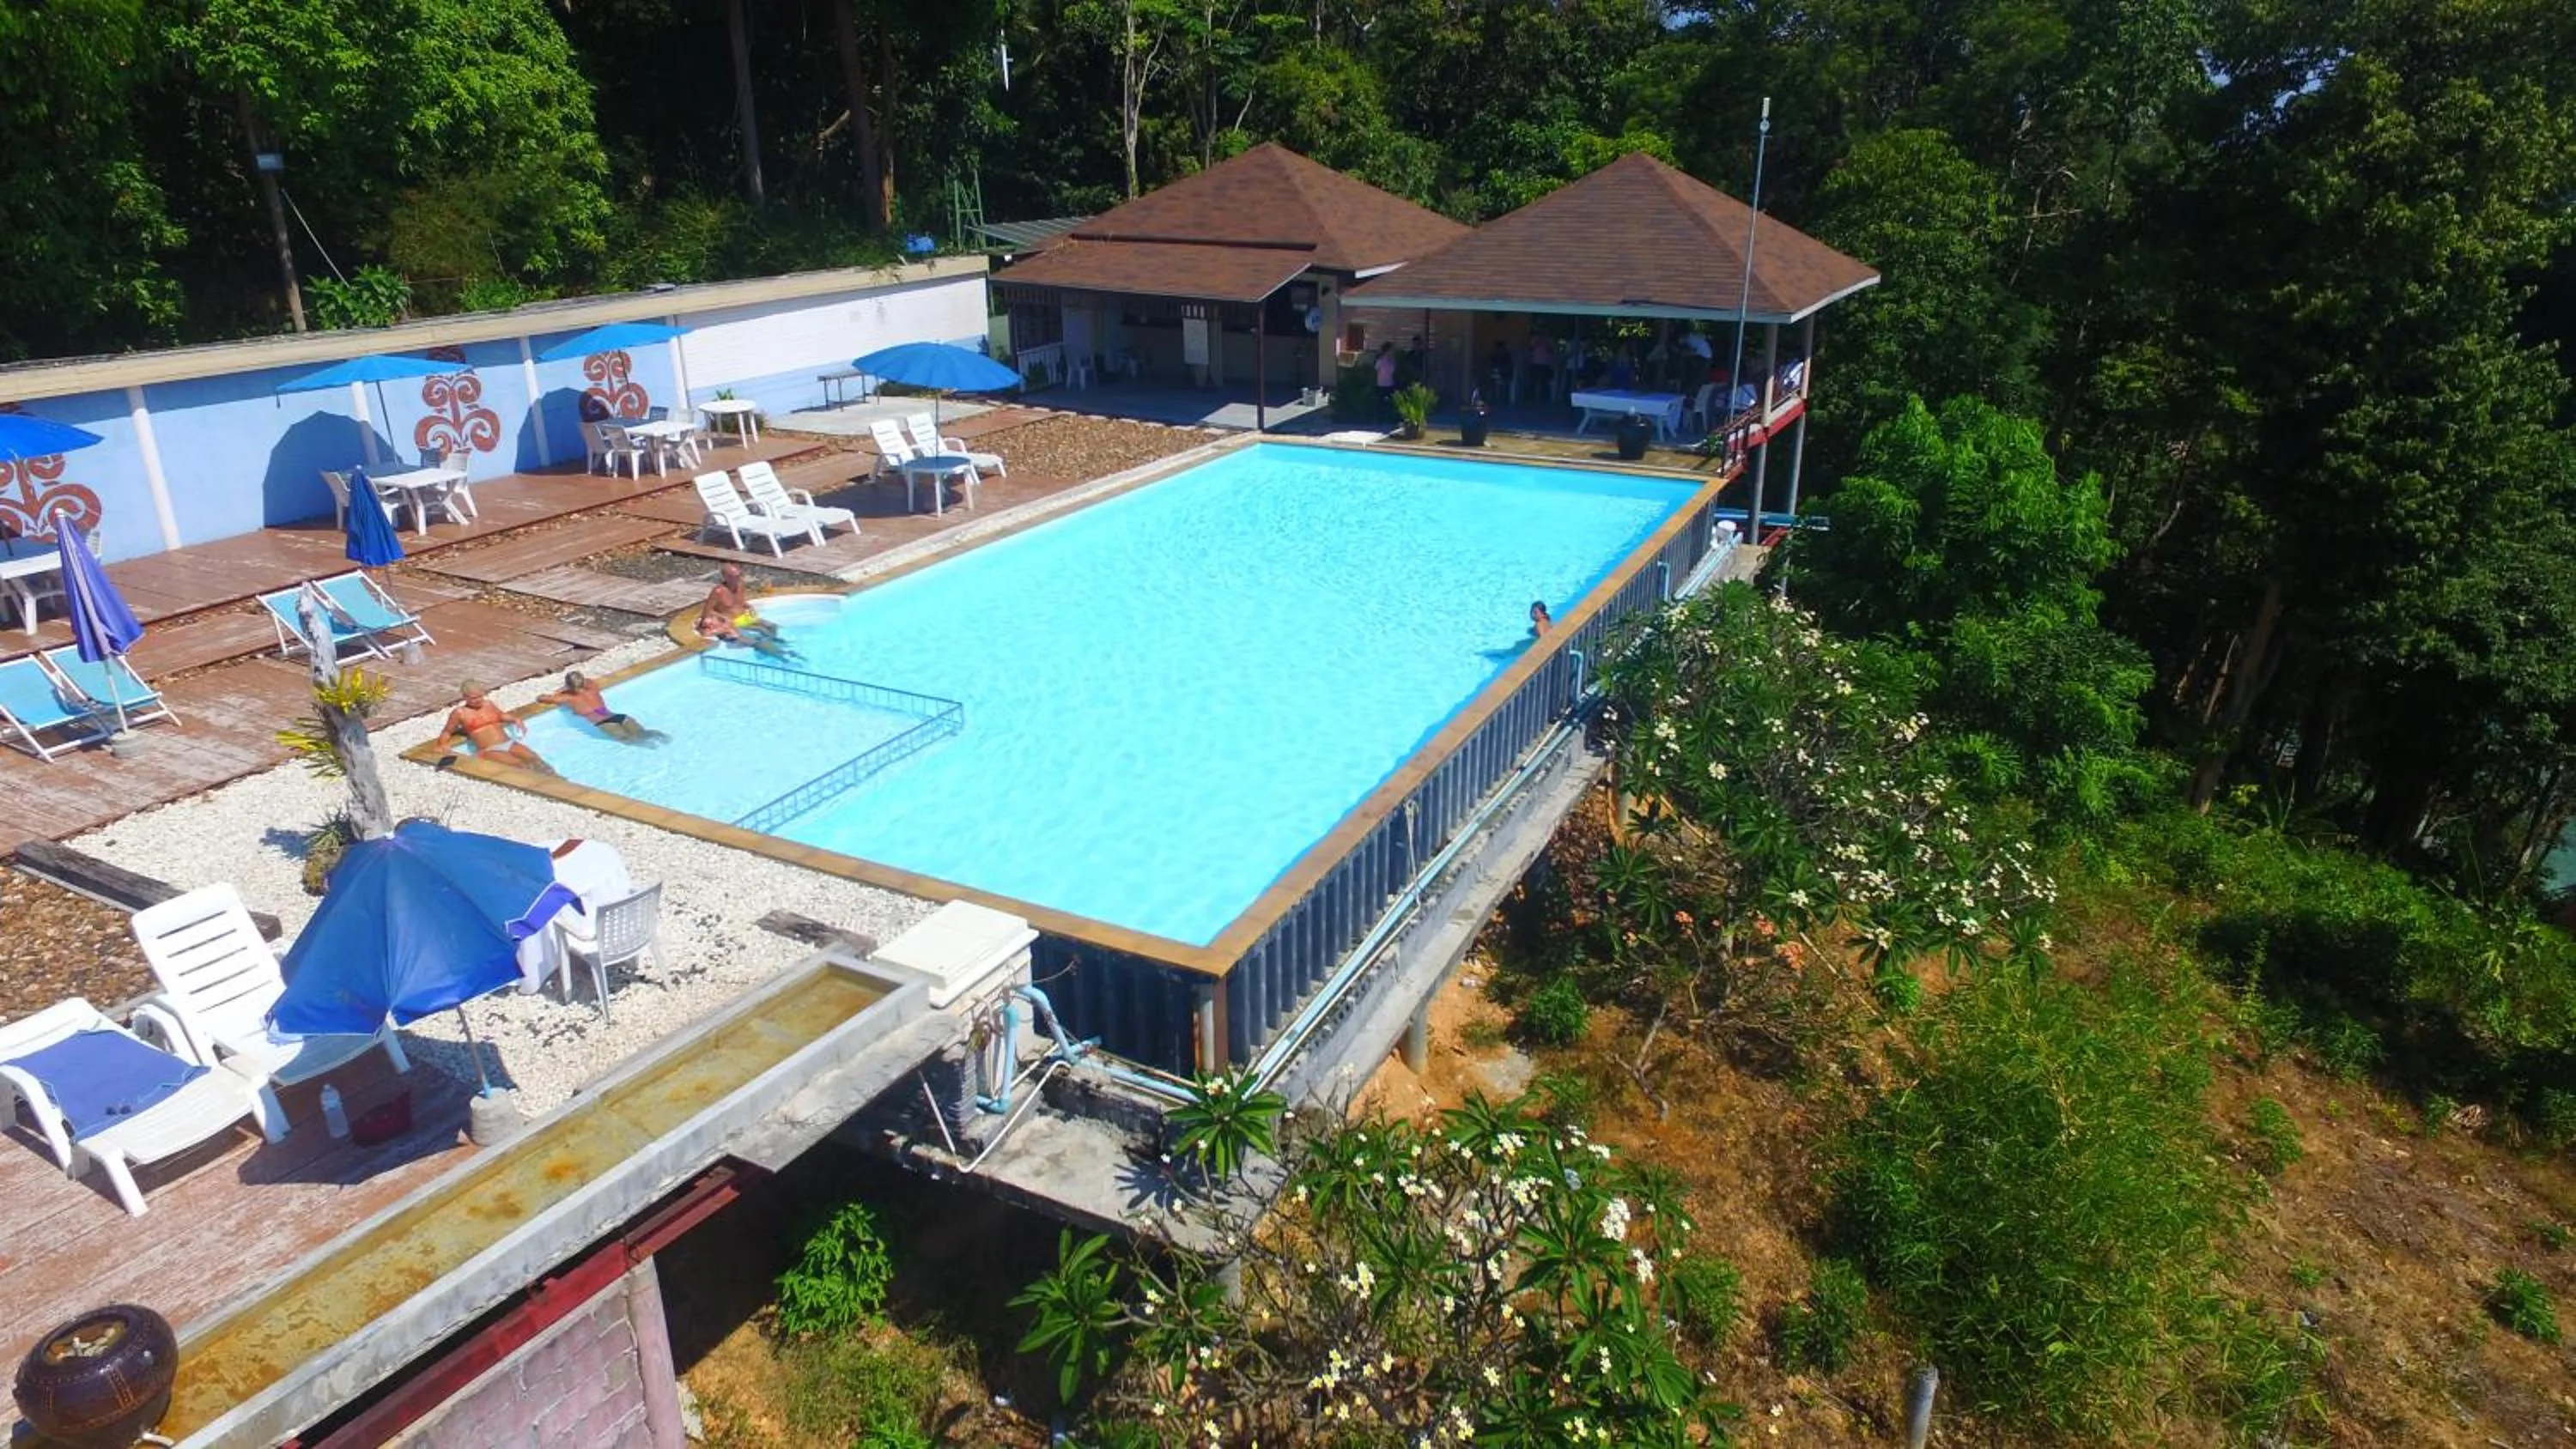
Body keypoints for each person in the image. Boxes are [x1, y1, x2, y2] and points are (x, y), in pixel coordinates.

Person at [434, 679, 554, 773]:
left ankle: (560, 781)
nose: (478, 700)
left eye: (480, 696)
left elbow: (501, 716)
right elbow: (447, 731)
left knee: (536, 760)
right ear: (464, 697)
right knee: (520, 765)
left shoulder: (488, 704)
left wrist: (515, 719)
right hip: (490, 749)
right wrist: (443, 743)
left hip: (509, 743)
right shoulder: (460, 713)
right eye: (474, 698)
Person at [537, 670, 666, 745]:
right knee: (642, 733)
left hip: (604, 723)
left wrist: (562, 691)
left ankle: (650, 747)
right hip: (617, 716)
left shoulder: (568, 698)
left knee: (628, 740)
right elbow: (588, 680)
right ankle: (663, 737)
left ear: (568, 686)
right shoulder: (593, 687)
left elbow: (542, 698)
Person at [698, 563, 798, 658]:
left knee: (772, 627)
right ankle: (776, 653)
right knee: (759, 634)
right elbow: (706, 612)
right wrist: (723, 618)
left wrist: (748, 606)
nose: (737, 579)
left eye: (739, 575)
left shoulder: (741, 585)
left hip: (745, 618)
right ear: (725, 576)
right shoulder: (718, 592)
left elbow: (738, 602)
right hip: (734, 622)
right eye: (733, 576)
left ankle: (774, 646)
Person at [1373, 342, 1398, 420]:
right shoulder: (1381, 360)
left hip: (1390, 383)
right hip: (1381, 384)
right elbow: (1376, 369)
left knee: (1390, 402)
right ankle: (1380, 418)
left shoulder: (1392, 361)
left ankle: (1389, 418)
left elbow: (1394, 370)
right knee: (1380, 403)